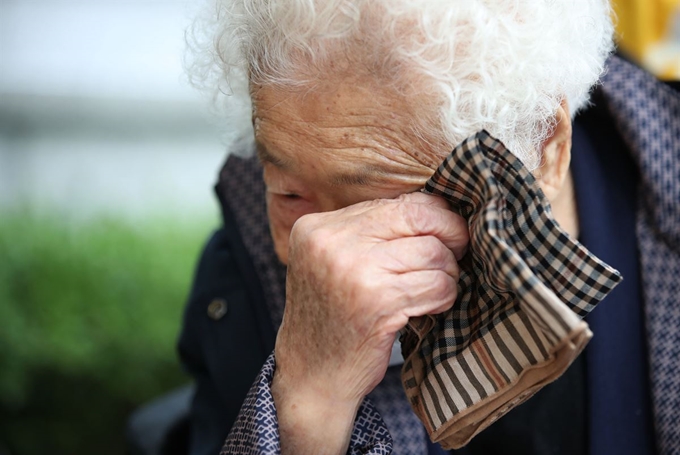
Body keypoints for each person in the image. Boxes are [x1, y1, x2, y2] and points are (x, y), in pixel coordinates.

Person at [178, 1, 680, 454]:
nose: (324, 250)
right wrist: (306, 405)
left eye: (388, 202)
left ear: (546, 150)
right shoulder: (239, 276)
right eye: (288, 192)